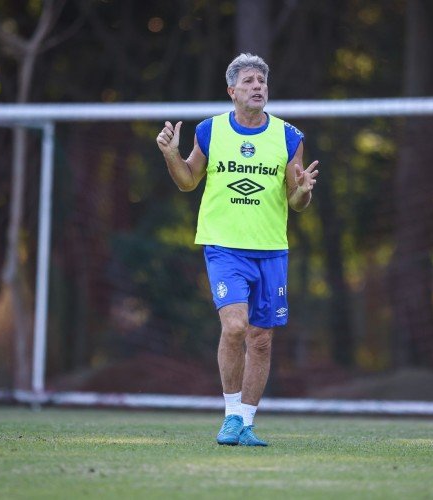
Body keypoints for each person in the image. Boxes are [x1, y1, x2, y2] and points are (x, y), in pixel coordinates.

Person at [156, 53, 318, 446]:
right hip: (224, 248)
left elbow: (295, 202)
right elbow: (188, 181)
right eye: (248, 81)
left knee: (261, 339)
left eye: (261, 81)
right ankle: (231, 417)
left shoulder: (288, 136)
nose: (257, 86)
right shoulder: (210, 131)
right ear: (232, 91)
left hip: (271, 250)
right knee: (235, 326)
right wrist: (170, 154)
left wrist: (301, 192)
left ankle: (246, 422)